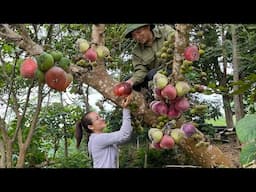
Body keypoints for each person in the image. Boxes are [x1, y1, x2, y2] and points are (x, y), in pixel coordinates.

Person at [75, 94, 133, 168]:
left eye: (100, 116)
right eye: (97, 118)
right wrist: (126, 109)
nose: (102, 119)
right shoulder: (98, 139)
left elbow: (122, 138)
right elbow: (124, 134)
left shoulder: (93, 139)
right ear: (91, 127)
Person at [123, 24, 175, 94]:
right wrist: (130, 82)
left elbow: (176, 40)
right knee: (129, 80)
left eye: (139, 32)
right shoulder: (137, 51)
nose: (137, 37)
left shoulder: (165, 30)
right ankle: (146, 96)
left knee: (152, 73)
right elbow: (141, 71)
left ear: (148, 27)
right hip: (153, 79)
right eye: (134, 35)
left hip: (172, 70)